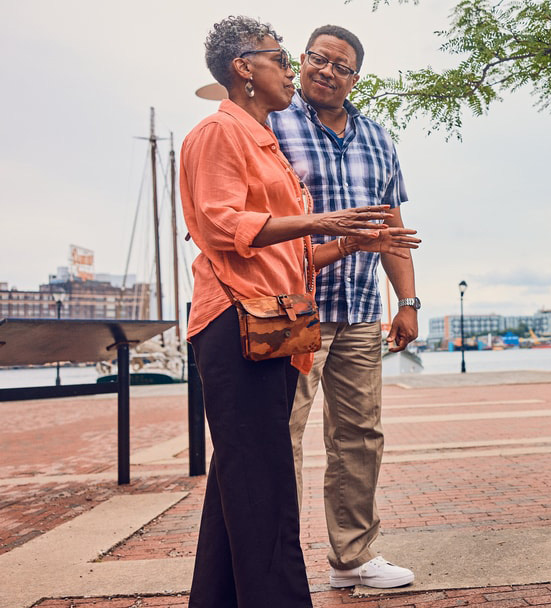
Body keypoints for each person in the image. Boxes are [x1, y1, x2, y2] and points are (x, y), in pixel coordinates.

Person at [181, 16, 419, 607]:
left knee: (290, 456)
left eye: (340, 65)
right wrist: (322, 222)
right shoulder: (242, 128)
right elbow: (221, 223)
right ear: (247, 69)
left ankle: (335, 562)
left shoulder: (358, 138)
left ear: (356, 78)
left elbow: (324, 242)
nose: (308, 71)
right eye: (300, 58)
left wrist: (367, 260)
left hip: (321, 308)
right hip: (254, 315)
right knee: (265, 461)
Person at [269, 24, 419, 589]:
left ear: (356, 78)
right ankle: (276, 561)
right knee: (281, 435)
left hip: (359, 311)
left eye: (341, 66)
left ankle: (352, 559)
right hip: (291, 309)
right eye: (318, 59)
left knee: (360, 436)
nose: (326, 72)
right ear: (302, 60)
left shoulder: (379, 139)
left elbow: (393, 229)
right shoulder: (272, 123)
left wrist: (407, 302)